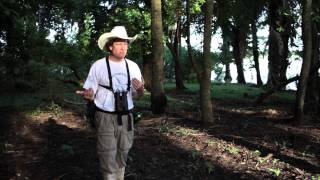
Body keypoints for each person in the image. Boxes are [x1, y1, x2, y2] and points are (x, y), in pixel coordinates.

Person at [76, 26, 144, 180]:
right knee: (107, 152)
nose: (123, 47)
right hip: (104, 115)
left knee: (124, 150)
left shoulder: (133, 67)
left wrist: (140, 90)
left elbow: (137, 95)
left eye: (126, 43)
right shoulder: (98, 66)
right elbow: (89, 92)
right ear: (110, 46)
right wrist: (88, 95)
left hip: (127, 117)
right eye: (119, 43)